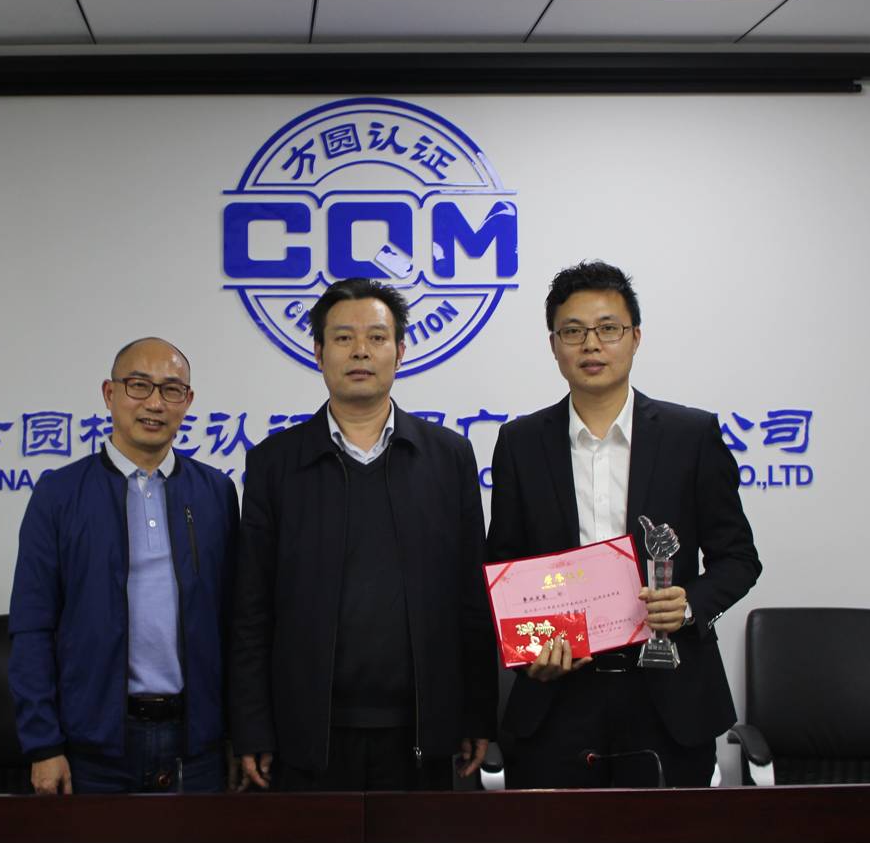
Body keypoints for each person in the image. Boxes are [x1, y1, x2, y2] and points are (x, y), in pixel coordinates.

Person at [486, 261, 761, 788]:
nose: (591, 344)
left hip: (668, 694)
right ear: (553, 345)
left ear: (635, 337)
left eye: (608, 328)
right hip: (558, 697)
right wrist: (530, 650)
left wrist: (689, 604)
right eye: (573, 331)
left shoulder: (690, 436)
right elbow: (505, 565)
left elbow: (739, 559)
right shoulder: (520, 443)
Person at [231, 278, 497, 792]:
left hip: (421, 731)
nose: (360, 351)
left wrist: (477, 712)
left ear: (400, 351)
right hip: (306, 735)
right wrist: (251, 725)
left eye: (376, 338)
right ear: (318, 353)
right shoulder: (275, 464)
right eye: (343, 338)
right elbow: (251, 610)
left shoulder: (447, 458)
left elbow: (472, 597)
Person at [8, 337, 239, 794]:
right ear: (109, 393)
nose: (154, 403)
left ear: (187, 401)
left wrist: (238, 732)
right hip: (93, 749)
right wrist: (42, 744)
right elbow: (32, 626)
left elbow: (235, 622)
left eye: (171, 389)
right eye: (139, 385)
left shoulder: (215, 492)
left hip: (197, 745)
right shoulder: (59, 495)